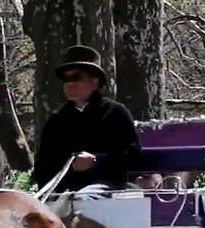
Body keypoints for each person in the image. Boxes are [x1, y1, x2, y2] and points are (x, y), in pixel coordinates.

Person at [31, 45, 141, 198]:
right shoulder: (56, 122)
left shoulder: (116, 113)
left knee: (82, 199)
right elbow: (43, 168)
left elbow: (133, 156)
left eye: (76, 77)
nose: (70, 83)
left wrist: (96, 161)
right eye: (66, 79)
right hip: (62, 191)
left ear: (95, 82)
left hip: (109, 186)